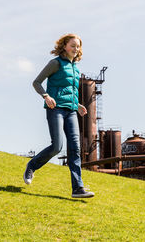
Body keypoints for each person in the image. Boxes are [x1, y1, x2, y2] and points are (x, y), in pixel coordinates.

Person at [24, 33, 95, 198]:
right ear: (64, 46)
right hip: (55, 108)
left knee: (75, 149)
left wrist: (77, 105)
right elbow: (36, 82)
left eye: (78, 47)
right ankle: (32, 166)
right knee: (57, 146)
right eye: (72, 46)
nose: (75, 49)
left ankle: (77, 188)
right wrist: (46, 96)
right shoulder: (55, 63)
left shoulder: (75, 68)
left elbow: (69, 91)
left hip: (70, 111)